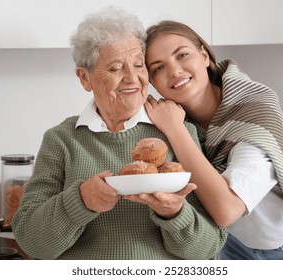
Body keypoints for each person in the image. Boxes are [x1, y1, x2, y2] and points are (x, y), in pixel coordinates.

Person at [11, 8, 226, 260]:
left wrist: (175, 213)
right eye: (115, 69)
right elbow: (32, 243)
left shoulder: (179, 132)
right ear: (85, 78)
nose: (132, 78)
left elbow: (209, 249)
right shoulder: (61, 140)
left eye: (138, 65)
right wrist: (80, 202)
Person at [144, 20, 283, 260]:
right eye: (158, 68)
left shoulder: (254, 113)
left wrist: (176, 131)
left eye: (182, 55)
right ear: (152, 83)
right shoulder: (173, 120)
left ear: (204, 55)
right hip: (235, 245)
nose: (174, 71)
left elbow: (226, 210)